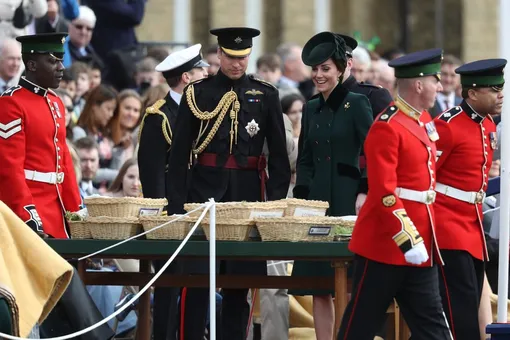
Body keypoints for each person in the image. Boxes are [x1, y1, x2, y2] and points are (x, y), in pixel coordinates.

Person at [166, 27, 291, 340]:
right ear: (219, 55)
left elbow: (278, 156)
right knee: (196, 283)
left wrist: (273, 205)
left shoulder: (266, 94)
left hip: (248, 196)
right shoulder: (198, 93)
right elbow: (180, 153)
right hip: (203, 194)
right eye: (232, 57)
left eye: (244, 57)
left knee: (239, 285)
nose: (238, 63)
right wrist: (176, 205)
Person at [0, 32, 114, 339]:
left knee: (62, 285)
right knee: (56, 281)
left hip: (56, 211)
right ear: (32, 63)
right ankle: (98, 332)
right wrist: (28, 213)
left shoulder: (55, 103)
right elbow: (10, 169)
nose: (60, 67)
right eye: (52, 61)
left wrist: (76, 213)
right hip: (26, 211)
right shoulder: (11, 104)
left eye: (61, 60)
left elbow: (63, 165)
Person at [338, 49, 453, 340]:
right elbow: (384, 191)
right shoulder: (387, 127)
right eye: (434, 81)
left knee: (434, 328)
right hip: (386, 244)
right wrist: (407, 237)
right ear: (418, 85)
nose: (439, 87)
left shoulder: (421, 120)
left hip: (420, 243)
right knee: (361, 325)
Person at [288, 32, 373, 340]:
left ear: (339, 69)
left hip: (349, 200)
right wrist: (302, 198)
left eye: (325, 68)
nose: (319, 75)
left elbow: (373, 150)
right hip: (317, 202)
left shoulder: (357, 104)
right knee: (319, 282)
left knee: (344, 281)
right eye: (315, 69)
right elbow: (306, 158)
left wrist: (365, 189)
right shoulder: (310, 108)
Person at [137, 43, 209, 340]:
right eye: (202, 71)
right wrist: (164, 220)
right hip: (172, 218)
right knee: (168, 290)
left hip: (201, 212)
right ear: (187, 78)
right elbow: (152, 176)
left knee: (201, 289)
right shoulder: (160, 117)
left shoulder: (206, 110)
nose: (208, 74)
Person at [433, 58, 506, 340]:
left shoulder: (487, 124)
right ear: (473, 93)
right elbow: (426, 175)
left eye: (501, 87)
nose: (500, 94)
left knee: (472, 298)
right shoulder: (448, 125)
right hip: (448, 223)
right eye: (493, 89)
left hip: (472, 223)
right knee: (459, 309)